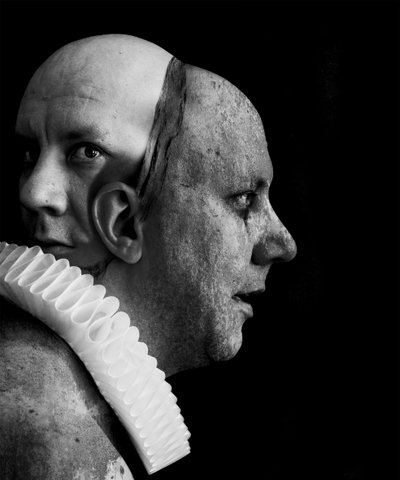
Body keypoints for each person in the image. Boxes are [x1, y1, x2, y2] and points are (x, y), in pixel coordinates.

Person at [0, 34, 296, 479]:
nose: (33, 192)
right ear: (123, 219)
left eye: (85, 151)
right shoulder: (49, 435)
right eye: (244, 198)